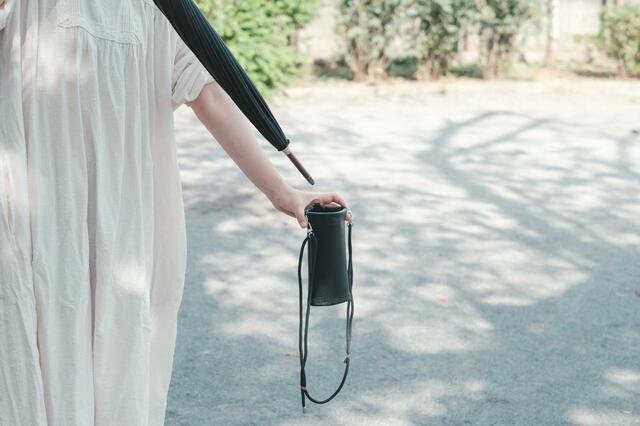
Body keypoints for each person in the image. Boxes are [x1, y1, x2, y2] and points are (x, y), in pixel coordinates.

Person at [0, 1, 352, 425]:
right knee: (37, 346)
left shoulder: (157, 8)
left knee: (117, 351)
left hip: (124, 225)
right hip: (34, 217)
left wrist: (281, 191)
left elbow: (208, 92)